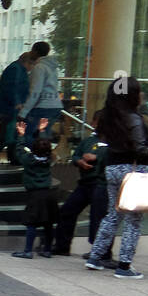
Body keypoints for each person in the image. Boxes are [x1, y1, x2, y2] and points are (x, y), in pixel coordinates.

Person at [86, 76, 148, 279]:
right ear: (131, 95)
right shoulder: (134, 118)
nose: (141, 94)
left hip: (112, 168)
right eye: (138, 91)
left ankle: (95, 256)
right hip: (133, 171)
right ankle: (124, 266)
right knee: (134, 219)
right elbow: (141, 148)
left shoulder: (109, 117)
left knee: (112, 214)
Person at [53, 112, 115, 264]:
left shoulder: (112, 142)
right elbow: (76, 155)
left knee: (98, 218)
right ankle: (62, 245)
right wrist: (79, 161)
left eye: (97, 122)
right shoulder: (89, 140)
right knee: (68, 210)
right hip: (85, 183)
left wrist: (97, 157)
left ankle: (101, 252)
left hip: (100, 183)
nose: (94, 124)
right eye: (94, 122)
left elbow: (112, 158)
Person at [11, 118, 58, 258]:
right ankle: (48, 250)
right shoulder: (50, 159)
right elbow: (45, 145)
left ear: (33, 149)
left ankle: (27, 251)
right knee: (48, 223)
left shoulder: (28, 160)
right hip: (49, 194)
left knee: (31, 222)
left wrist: (21, 135)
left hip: (35, 195)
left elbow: (19, 150)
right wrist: (42, 131)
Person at [0, 49, 37, 163]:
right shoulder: (16, 69)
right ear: (28, 62)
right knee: (10, 131)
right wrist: (17, 103)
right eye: (32, 65)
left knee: (11, 131)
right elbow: (13, 87)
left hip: (9, 106)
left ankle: (10, 155)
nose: (32, 68)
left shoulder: (17, 68)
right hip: (9, 107)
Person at [19, 41, 62, 144]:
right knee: (43, 137)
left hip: (43, 107)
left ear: (35, 51)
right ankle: (44, 157)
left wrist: (23, 112)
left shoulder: (39, 67)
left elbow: (35, 92)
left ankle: (33, 158)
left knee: (29, 135)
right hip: (55, 106)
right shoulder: (52, 68)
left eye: (32, 50)